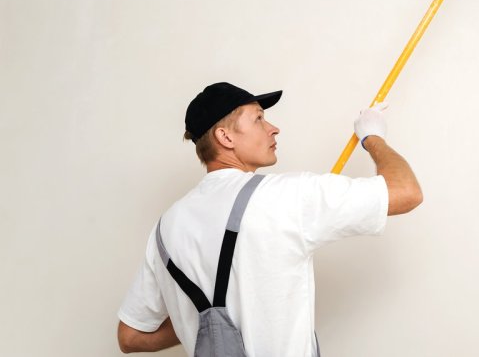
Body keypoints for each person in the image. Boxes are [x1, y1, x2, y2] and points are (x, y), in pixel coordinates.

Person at [117, 82, 422, 355]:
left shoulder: (166, 227)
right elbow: (406, 191)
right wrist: (372, 137)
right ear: (225, 136)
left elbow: (129, 337)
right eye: (259, 119)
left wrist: (196, 318)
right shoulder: (286, 197)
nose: (273, 128)